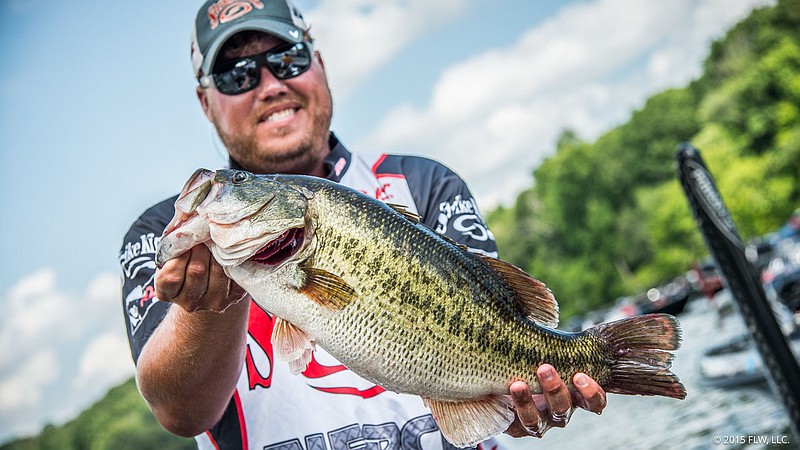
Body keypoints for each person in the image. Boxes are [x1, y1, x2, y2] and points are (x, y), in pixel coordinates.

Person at [119, 1, 607, 449]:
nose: (269, 84)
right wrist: (203, 304)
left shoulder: (422, 184)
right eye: (236, 74)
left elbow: (508, 344)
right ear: (206, 103)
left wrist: (527, 401)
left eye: (287, 58)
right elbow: (178, 412)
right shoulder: (167, 230)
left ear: (320, 66)